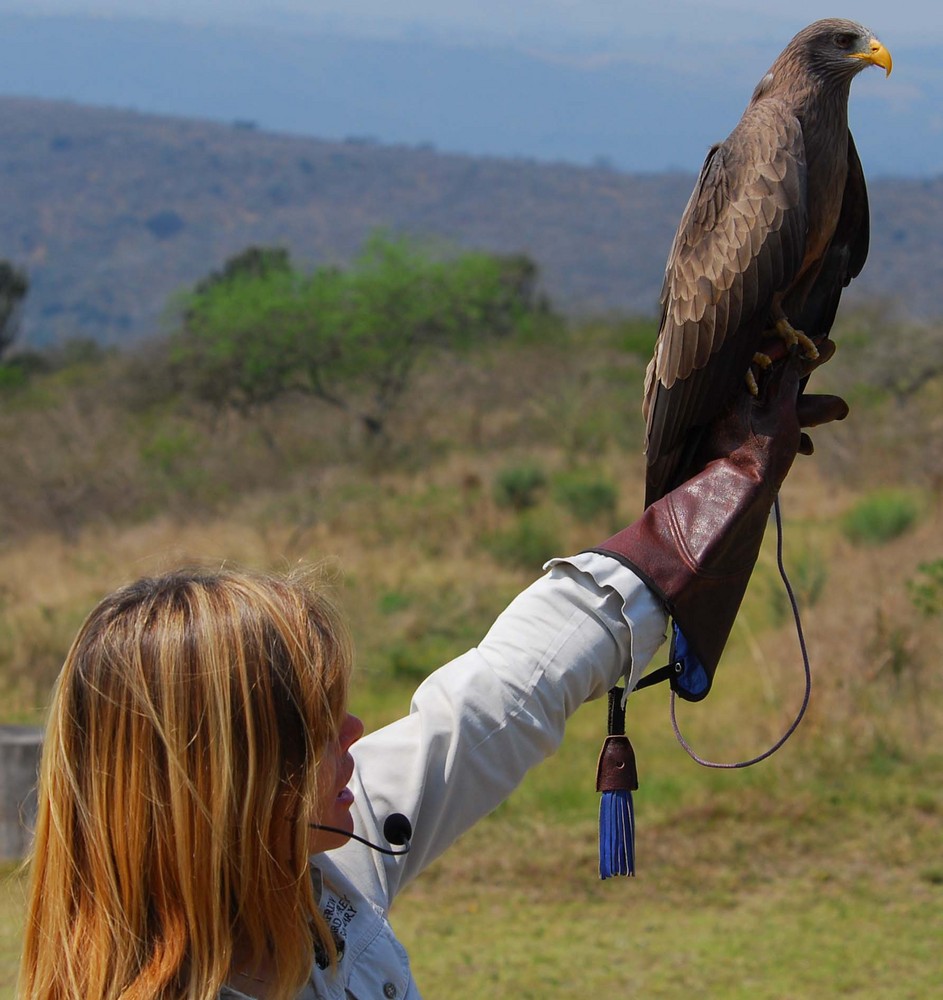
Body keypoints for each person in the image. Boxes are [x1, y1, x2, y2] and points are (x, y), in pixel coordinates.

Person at [18, 348, 847, 1000]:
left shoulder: (320, 874)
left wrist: (713, 496)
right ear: (221, 785)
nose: (353, 740)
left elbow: (505, 691)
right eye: (312, 731)